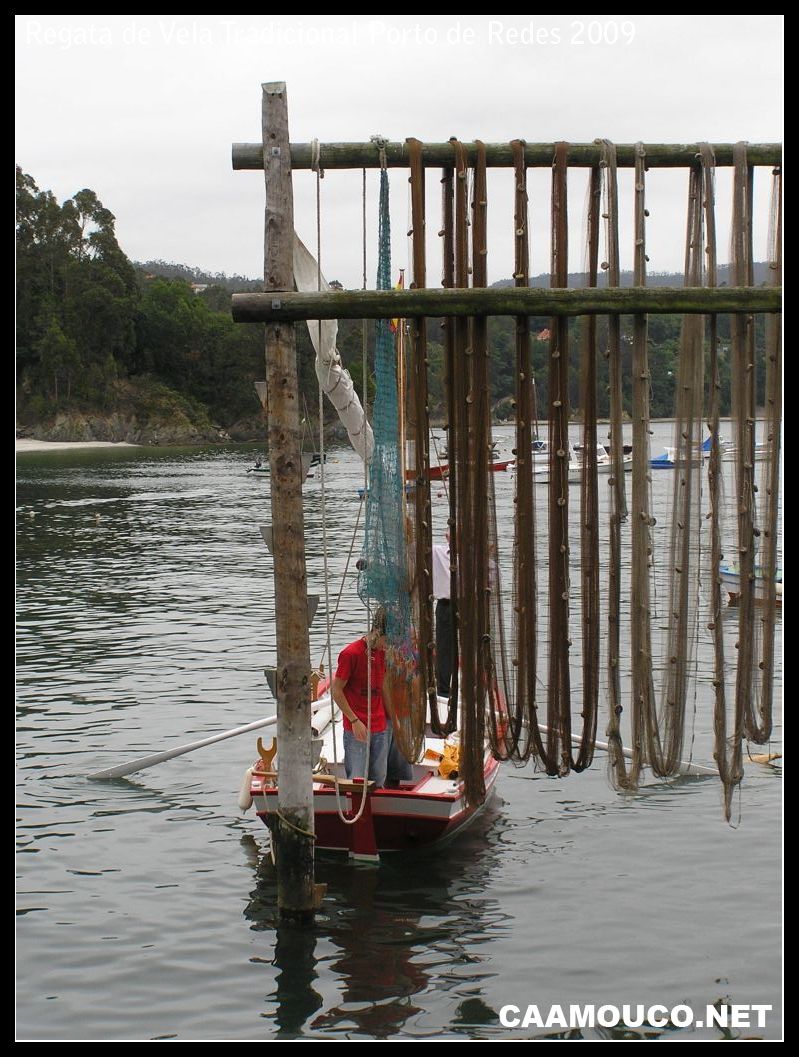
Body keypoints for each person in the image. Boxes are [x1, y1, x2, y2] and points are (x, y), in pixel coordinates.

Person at [331, 607, 392, 786]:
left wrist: (392, 717)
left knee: (379, 778)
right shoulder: (350, 654)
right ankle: (357, 812)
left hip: (380, 725)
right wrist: (354, 721)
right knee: (357, 780)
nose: (387, 645)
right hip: (357, 726)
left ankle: (379, 810)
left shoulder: (384, 653)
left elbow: (384, 687)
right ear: (378, 633)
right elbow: (336, 690)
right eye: (387, 640)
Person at [432, 529, 454, 698]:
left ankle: (473, 686)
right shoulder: (436, 552)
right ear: (446, 535)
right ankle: (444, 692)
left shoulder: (475, 554)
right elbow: (411, 549)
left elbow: (494, 571)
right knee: (444, 647)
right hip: (445, 605)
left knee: (474, 647)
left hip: (469, 605)